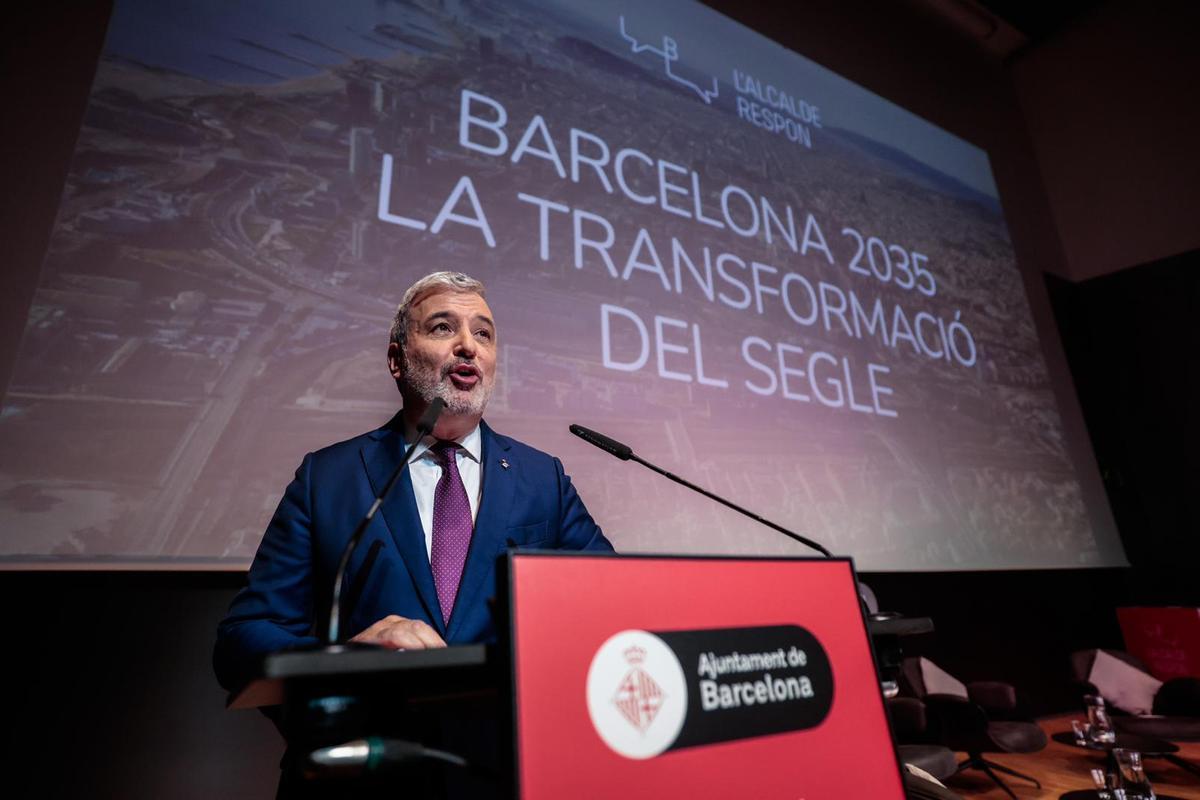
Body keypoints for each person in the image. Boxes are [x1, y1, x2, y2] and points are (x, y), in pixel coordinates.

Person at [214, 271, 613, 691]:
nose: (468, 346)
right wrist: (346, 657)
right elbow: (242, 639)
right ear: (396, 359)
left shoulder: (542, 478)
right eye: (443, 327)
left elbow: (614, 601)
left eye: (484, 334)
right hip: (376, 741)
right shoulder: (327, 479)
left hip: (508, 745)